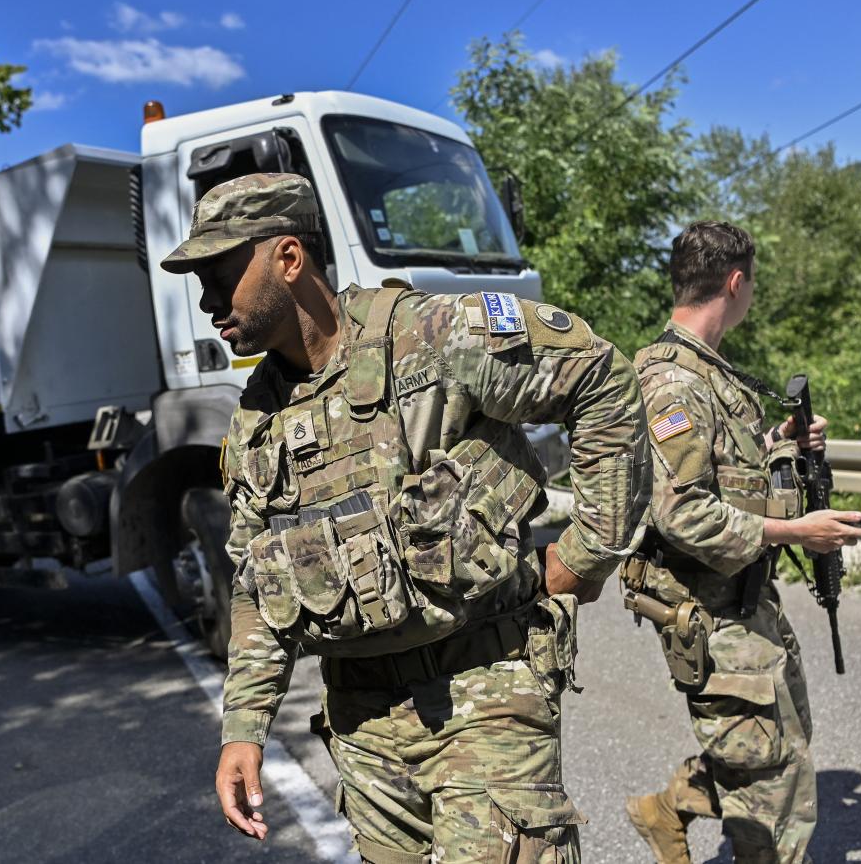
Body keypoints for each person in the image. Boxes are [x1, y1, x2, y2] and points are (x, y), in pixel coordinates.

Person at [163, 172, 652, 863]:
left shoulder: (432, 336)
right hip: (362, 724)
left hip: (484, 691)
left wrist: (590, 551)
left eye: (220, 273)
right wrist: (243, 727)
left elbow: (602, 380)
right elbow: (254, 580)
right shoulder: (255, 421)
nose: (209, 301)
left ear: (289, 259)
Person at [623, 221, 861, 864]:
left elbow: (723, 475)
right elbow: (682, 512)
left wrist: (782, 444)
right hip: (707, 608)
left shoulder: (709, 372)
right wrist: (795, 532)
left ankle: (668, 809)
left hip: (744, 596)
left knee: (778, 744)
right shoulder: (672, 383)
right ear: (737, 283)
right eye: (752, 282)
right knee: (770, 784)